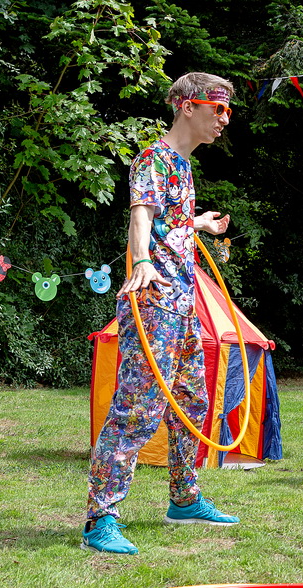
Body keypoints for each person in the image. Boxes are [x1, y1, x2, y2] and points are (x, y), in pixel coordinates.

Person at [84, 73, 241, 555]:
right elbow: (141, 216)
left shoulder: (182, 166)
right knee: (137, 408)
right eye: (218, 109)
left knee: (192, 402)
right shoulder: (153, 159)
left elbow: (167, 222)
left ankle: (184, 499)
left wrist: (198, 223)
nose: (224, 119)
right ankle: (100, 518)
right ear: (187, 106)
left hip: (184, 305)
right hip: (154, 304)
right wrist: (142, 261)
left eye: (228, 111)